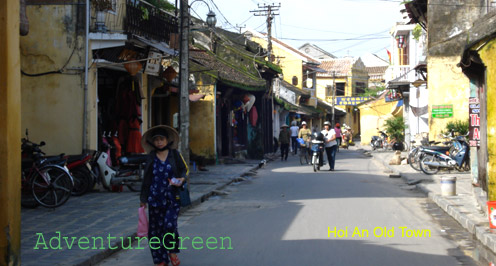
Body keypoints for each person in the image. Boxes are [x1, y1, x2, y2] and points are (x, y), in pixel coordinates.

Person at [140, 125, 186, 266]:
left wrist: (182, 179)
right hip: (154, 199)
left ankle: (171, 251)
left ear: (167, 140)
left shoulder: (175, 154)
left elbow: (184, 170)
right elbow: (147, 179)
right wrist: (143, 199)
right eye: (156, 140)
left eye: (162, 139)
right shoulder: (151, 157)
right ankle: (160, 260)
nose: (159, 142)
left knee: (169, 225)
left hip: (172, 198)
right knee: (154, 231)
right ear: (153, 142)